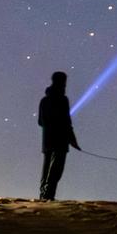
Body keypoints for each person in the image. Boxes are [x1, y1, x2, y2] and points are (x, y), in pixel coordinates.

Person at [37, 70, 81, 200]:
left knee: (47, 169)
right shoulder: (63, 100)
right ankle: (48, 196)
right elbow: (67, 122)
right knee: (56, 170)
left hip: (48, 141)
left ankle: (43, 195)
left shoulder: (44, 100)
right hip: (60, 141)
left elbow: (40, 121)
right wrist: (72, 140)